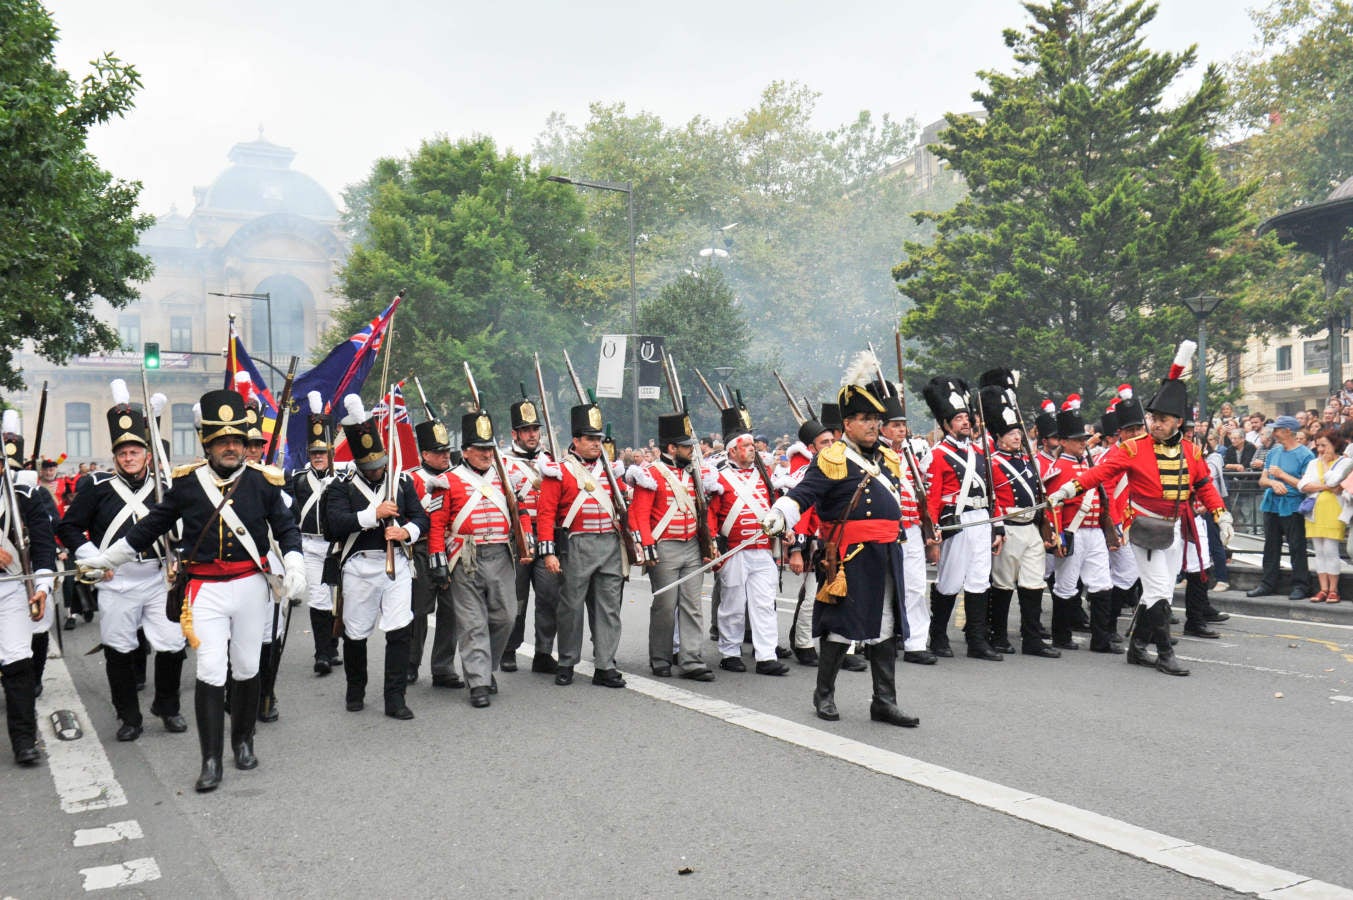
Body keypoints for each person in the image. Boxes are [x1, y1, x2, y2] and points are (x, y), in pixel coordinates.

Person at [78, 389, 306, 791]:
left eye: (237, 440)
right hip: (205, 589)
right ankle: (211, 759)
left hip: (251, 586)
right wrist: (109, 559)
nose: (232, 447)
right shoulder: (187, 484)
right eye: (223, 441)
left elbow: (285, 527)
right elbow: (151, 526)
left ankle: (244, 741)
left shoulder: (263, 483)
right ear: (208, 444)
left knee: (249, 667)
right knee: (211, 669)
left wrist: (295, 561)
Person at [1050, 341, 1233, 677]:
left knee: (1156, 590)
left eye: (1161, 419)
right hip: (1145, 527)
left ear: (1177, 421)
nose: (1155, 424)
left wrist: (1222, 514)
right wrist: (1067, 489)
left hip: (1175, 527)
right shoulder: (1133, 449)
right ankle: (1164, 653)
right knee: (1160, 589)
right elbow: (1099, 473)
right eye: (1153, 418)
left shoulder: (1192, 452)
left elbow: (1204, 485)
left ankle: (1136, 648)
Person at [763, 356, 917, 727]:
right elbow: (805, 493)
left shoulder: (886, 458)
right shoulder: (831, 458)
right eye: (865, 420)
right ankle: (824, 694)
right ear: (847, 423)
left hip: (886, 553)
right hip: (850, 556)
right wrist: (781, 512)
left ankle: (883, 701)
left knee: (885, 624)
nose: (873, 426)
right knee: (840, 626)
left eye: (876, 420)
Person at [58, 380, 188, 741]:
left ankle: (168, 705)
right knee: (119, 649)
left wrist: (179, 556)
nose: (129, 458)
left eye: (135, 452)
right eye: (123, 453)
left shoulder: (165, 488)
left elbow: (184, 528)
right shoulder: (96, 488)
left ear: (147, 454)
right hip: (116, 582)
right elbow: (68, 527)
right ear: (115, 456)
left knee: (172, 644)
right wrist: (94, 559)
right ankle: (128, 716)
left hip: (158, 577)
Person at [323, 395, 428, 720]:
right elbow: (334, 524)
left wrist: (404, 532)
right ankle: (356, 688)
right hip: (358, 566)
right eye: (370, 468)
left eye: (379, 465)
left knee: (399, 630)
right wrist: (373, 514)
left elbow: (421, 518)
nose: (377, 471)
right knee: (355, 632)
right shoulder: (341, 485)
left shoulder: (401, 481)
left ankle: (395, 698)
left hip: (395, 564)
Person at [427, 408, 530, 708]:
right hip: (465, 556)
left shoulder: (506, 479)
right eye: (481, 449)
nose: (487, 454)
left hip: (500, 553)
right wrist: (438, 560)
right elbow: (437, 525)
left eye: (490, 449)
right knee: (472, 623)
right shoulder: (447, 481)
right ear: (466, 451)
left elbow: (519, 513)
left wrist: (527, 540)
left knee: (506, 616)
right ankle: (478, 682)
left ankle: (487, 668)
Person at [534, 401, 628, 688]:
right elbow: (546, 513)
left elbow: (623, 505)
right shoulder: (559, 471)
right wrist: (548, 551)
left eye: (599, 439)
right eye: (590, 439)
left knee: (608, 608)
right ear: (576, 440)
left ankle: (605, 664)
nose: (596, 444)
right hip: (576, 544)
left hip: (610, 544)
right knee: (571, 607)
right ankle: (566, 662)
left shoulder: (611, 470)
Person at [627, 411, 716, 681]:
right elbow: (638, 514)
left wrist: (709, 541)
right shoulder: (651, 474)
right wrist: (648, 545)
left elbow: (704, 512)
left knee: (692, 604)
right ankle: (661, 657)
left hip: (691, 544)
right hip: (664, 546)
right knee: (665, 605)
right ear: (671, 448)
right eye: (687, 446)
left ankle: (691, 659)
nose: (693, 450)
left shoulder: (695, 474)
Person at [923, 376, 1005, 661]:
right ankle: (939, 636)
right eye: (958, 419)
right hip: (956, 522)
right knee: (949, 580)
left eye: (967, 418)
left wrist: (997, 526)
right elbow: (932, 498)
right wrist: (931, 536)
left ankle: (977, 640)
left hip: (981, 519)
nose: (965, 423)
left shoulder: (980, 452)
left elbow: (993, 493)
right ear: (946, 425)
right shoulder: (937, 455)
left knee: (980, 580)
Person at [706, 400, 788, 676]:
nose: (752, 450)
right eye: (746, 446)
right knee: (732, 603)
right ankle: (730, 651)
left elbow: (775, 507)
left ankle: (766, 655)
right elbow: (712, 516)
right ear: (732, 450)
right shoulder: (719, 478)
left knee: (764, 603)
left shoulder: (765, 478)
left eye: (753, 446)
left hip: (762, 548)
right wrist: (714, 546)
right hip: (734, 550)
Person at [980, 378, 1059, 658]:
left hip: (1031, 528)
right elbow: (994, 501)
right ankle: (999, 636)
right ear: (999, 437)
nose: (1016, 436)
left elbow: (1040, 495)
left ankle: (1033, 638)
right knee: (1002, 585)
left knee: (1033, 583)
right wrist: (998, 528)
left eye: (1018, 432)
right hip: (1010, 528)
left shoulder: (1029, 461)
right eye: (1011, 433)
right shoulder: (992, 462)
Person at [0, 408, 57, 766]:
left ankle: (23, 740)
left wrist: (44, 585)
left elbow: (43, 542)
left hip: (11, 588)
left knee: (17, 662)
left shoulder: (25, 494)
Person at [1044, 396, 1119, 653]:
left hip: (1095, 531)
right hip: (1072, 532)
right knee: (1065, 585)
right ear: (1063, 442)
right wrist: (1058, 538)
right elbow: (1053, 507)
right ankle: (1061, 635)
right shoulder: (1057, 469)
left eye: (1083, 440)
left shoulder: (1090, 466)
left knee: (1102, 584)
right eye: (1076, 440)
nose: (1081, 444)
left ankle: (1101, 639)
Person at [501, 397, 562, 675]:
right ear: (515, 434)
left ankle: (543, 652)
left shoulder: (551, 460)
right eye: (526, 430)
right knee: (517, 598)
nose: (532, 435)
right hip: (517, 539)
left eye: (535, 429)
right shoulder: (501, 462)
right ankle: (509, 649)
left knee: (549, 596)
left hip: (546, 535)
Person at [404, 413, 461, 688]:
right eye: (439, 452)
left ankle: (443, 667)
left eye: (447, 451)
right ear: (425, 453)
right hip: (422, 549)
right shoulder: (410, 480)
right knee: (419, 611)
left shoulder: (457, 478)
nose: (445, 456)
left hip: (451, 547)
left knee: (451, 610)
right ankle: (410, 664)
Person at [289, 392, 342, 676]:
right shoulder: (297, 479)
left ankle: (332, 645)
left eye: (323, 452)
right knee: (319, 598)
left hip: (338, 547)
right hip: (310, 546)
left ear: (331, 452)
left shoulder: (343, 481)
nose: (318, 457)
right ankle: (322, 653)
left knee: (337, 600)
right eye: (314, 453)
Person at [778, 417, 835, 666]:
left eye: (833, 440)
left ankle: (839, 646)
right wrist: (797, 551)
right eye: (825, 442)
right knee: (812, 598)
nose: (831, 445)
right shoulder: (807, 472)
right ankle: (803, 642)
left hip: (839, 541)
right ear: (811, 448)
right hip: (815, 543)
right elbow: (802, 514)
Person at [1245, 415, 1315, 601]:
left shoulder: (1306, 455)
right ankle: (1267, 583)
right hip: (1272, 504)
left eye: (1277, 429)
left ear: (1288, 431)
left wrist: (1282, 476)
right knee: (1270, 545)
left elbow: (1306, 485)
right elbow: (1263, 479)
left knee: (1297, 546)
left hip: (1293, 506)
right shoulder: (1273, 452)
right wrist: (1272, 483)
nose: (1273, 432)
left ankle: (1301, 585)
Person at [1300, 427, 1350, 603]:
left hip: (1334, 510)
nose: (1320, 450)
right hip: (1314, 511)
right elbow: (1303, 485)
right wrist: (1326, 487)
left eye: (1324, 445)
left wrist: (1325, 470)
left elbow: (1334, 481)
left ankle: (1334, 589)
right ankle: (1323, 588)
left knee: (1330, 550)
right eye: (1318, 445)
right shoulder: (1313, 463)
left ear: (1334, 444)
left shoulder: (1344, 462)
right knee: (1319, 550)